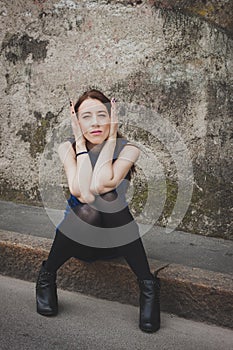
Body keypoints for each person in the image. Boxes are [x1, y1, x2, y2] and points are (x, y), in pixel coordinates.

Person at [35, 89, 161, 333]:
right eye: (86, 117)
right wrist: (80, 143)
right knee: (89, 208)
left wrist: (112, 139)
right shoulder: (67, 147)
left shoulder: (129, 149)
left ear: (112, 117)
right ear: (77, 121)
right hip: (80, 240)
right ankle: (46, 276)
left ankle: (148, 287)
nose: (95, 123)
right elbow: (82, 191)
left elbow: (101, 183)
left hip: (116, 242)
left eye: (102, 115)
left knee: (109, 197)